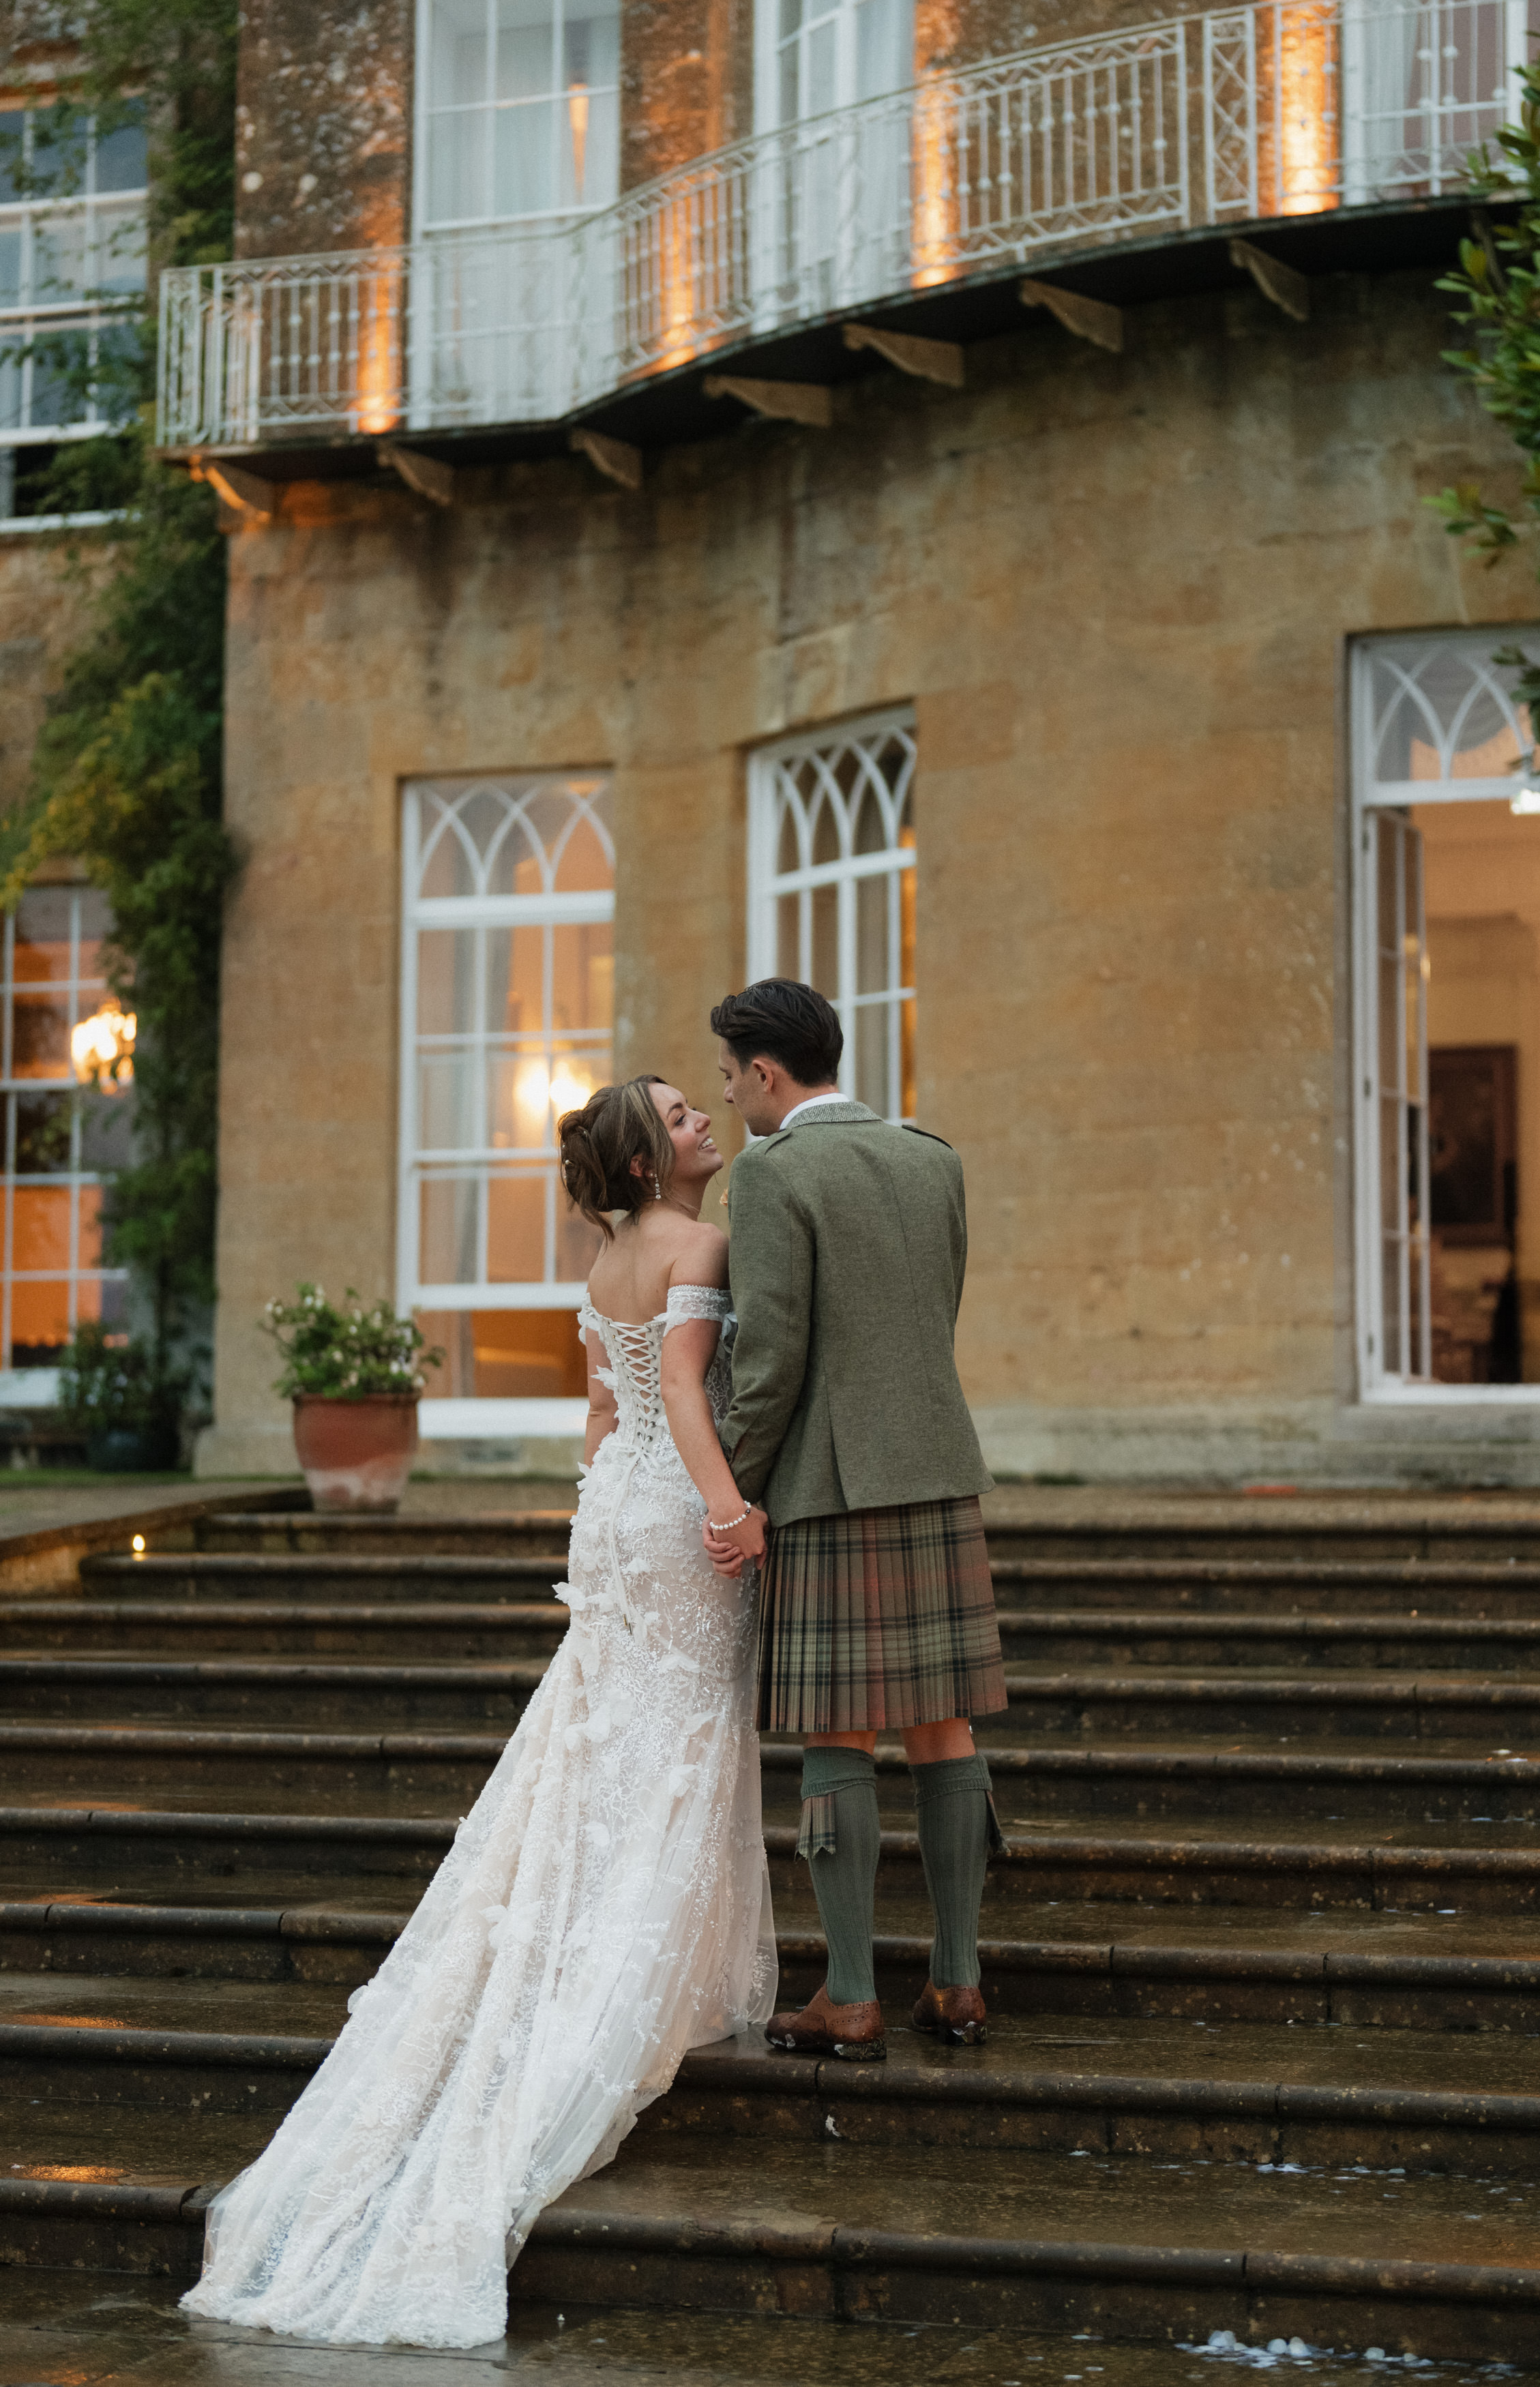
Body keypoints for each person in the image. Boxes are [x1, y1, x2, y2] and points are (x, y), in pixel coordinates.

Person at [180, 1077, 775, 2350]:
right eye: (677, 1119)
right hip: (675, 1511)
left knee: (607, 1747)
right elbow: (675, 1392)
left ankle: (616, 1950)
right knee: (678, 1743)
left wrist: (608, 1507)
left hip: (611, 1514)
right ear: (639, 1161)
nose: (701, 1125)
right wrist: (728, 1508)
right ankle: (633, 1985)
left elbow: (601, 1410)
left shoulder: (606, 1251)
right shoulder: (699, 1243)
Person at [704, 979, 1006, 2064]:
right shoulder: (933, 1158)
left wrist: (730, 1486)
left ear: (767, 1073)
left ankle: (848, 1995)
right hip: (935, 1467)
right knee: (944, 1728)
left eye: (730, 1075)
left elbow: (772, 1356)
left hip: (831, 1482)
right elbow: (938, 1308)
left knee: (839, 1733)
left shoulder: (774, 1170)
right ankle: (958, 1985)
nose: (729, 1095)